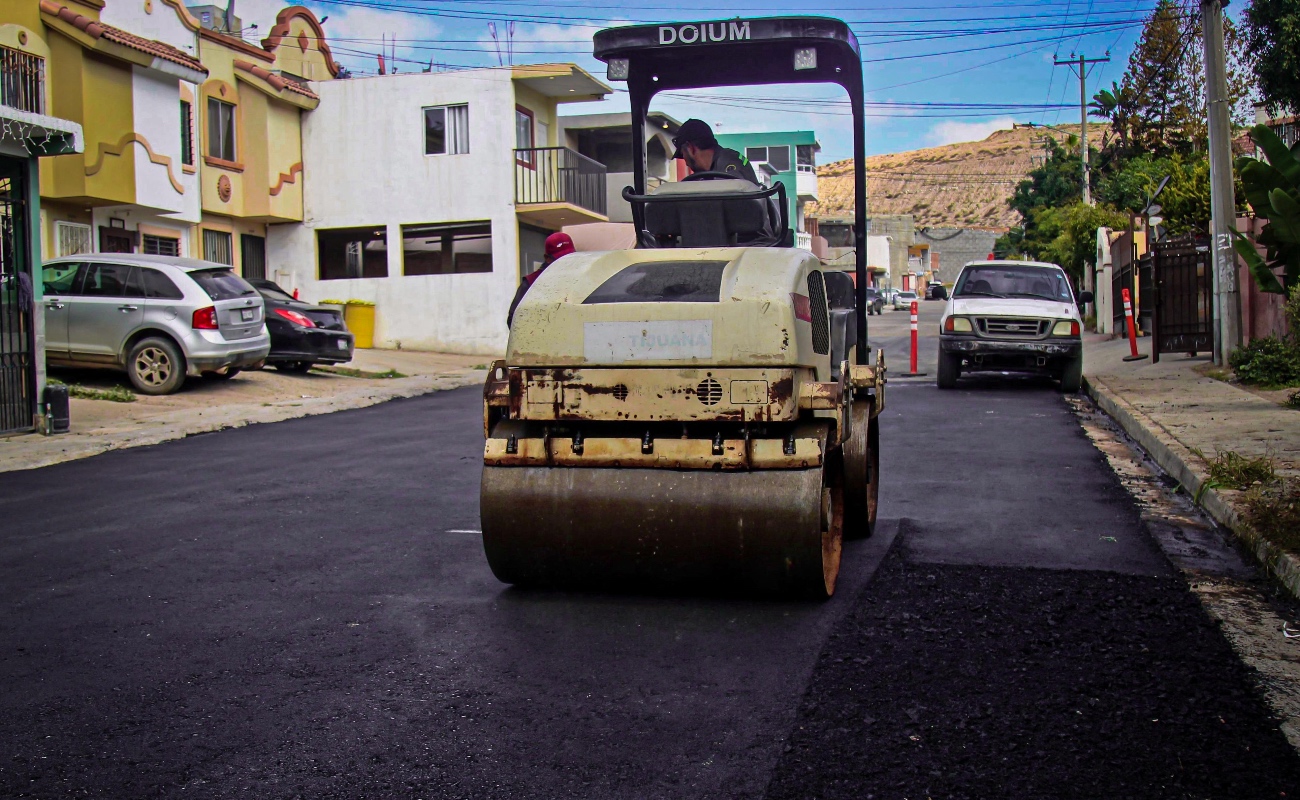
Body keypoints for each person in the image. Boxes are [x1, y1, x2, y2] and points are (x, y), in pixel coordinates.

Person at [507, 231, 575, 327]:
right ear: (547, 258)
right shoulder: (531, 282)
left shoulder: (580, 278)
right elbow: (513, 319)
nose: (567, 262)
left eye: (570, 257)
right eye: (561, 258)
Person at [671, 119, 759, 184]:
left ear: (691, 148)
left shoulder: (730, 164)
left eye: (683, 154)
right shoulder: (705, 175)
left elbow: (733, 199)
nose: (686, 163)